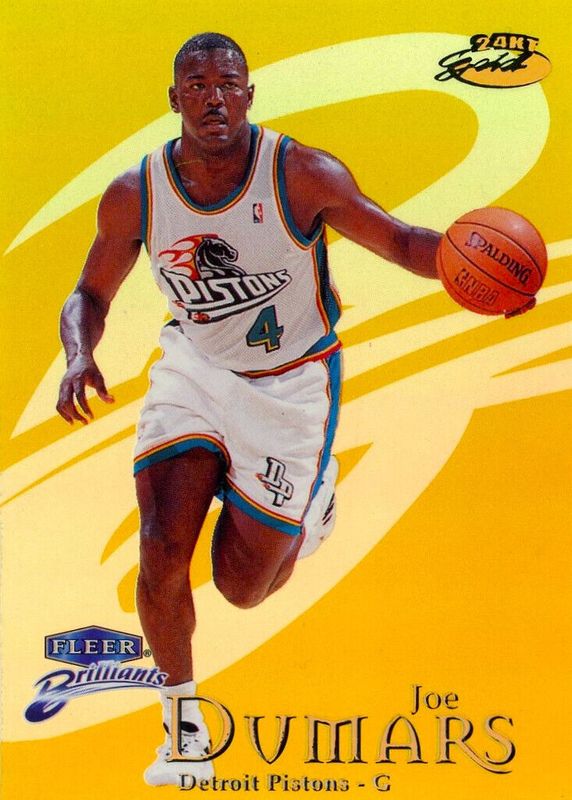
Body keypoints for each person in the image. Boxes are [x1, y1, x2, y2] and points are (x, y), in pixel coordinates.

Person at [56, 32, 441, 786]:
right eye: (197, 85)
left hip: (292, 384)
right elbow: (89, 295)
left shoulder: (301, 173)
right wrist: (78, 353)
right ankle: (183, 732)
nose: (214, 98)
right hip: (195, 371)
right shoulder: (136, 194)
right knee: (161, 545)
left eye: (228, 83)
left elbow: (401, 240)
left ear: (250, 95)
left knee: (243, 589)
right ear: (174, 99)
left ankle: (310, 506)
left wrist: (468, 271)